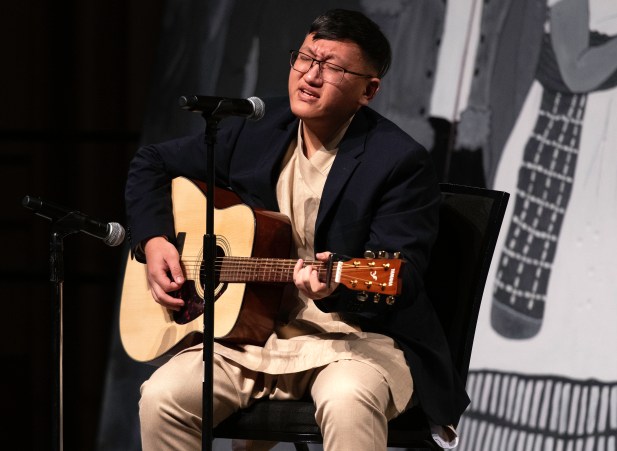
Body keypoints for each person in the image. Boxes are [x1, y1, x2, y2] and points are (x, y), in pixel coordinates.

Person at [125, 9, 469, 451]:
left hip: (354, 339)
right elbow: (151, 163)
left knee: (348, 400)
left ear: (368, 91)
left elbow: (400, 275)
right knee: (163, 398)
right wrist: (154, 241)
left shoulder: (398, 162)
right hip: (250, 336)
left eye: (334, 68)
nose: (310, 76)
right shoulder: (260, 131)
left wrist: (333, 288)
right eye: (305, 58)